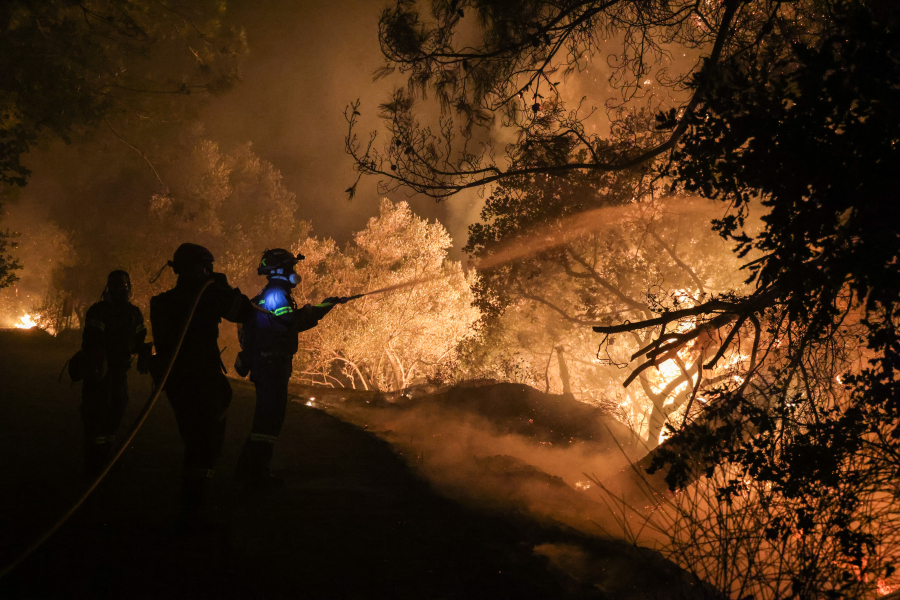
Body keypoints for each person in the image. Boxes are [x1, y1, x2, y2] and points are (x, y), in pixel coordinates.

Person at [150, 243, 255, 526]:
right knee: (205, 442)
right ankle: (193, 510)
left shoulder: (163, 302)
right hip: (201, 377)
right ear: (202, 267)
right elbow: (243, 310)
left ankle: (193, 503)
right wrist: (222, 285)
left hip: (175, 381)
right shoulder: (205, 294)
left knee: (195, 440)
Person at [234, 248, 346, 488]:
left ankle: (250, 472)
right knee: (268, 421)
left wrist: (323, 306)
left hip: (269, 364)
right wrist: (323, 307)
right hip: (271, 365)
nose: (294, 272)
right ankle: (254, 476)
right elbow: (292, 323)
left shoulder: (272, 293)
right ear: (281, 270)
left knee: (266, 421)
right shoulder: (276, 294)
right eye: (291, 268)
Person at [80, 270, 150, 478]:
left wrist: (144, 351)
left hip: (119, 371)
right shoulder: (99, 311)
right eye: (118, 286)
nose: (122, 290)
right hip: (99, 372)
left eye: (124, 286)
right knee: (96, 414)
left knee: (116, 410)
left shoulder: (133, 313)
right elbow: (93, 341)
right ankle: (95, 463)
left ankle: (106, 458)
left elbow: (139, 339)